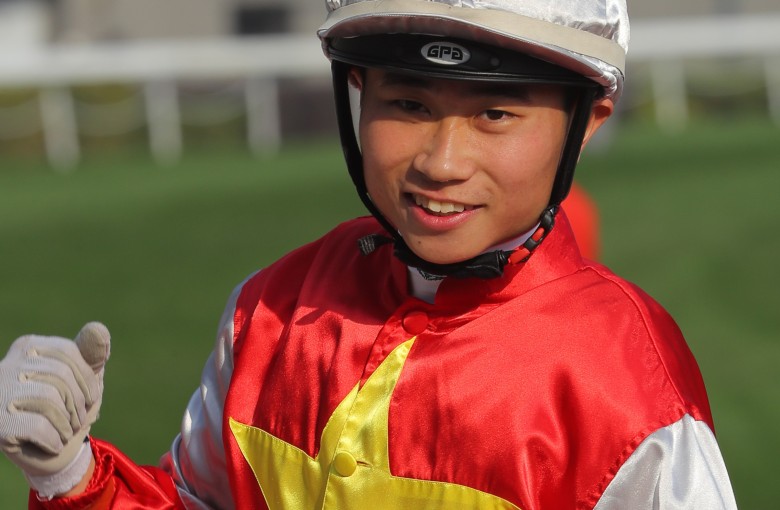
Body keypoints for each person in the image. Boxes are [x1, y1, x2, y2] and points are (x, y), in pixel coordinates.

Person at [0, 0, 738, 508]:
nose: (443, 161)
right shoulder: (273, 310)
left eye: (494, 114)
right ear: (357, 89)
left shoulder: (630, 387)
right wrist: (71, 476)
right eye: (410, 105)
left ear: (586, 124)